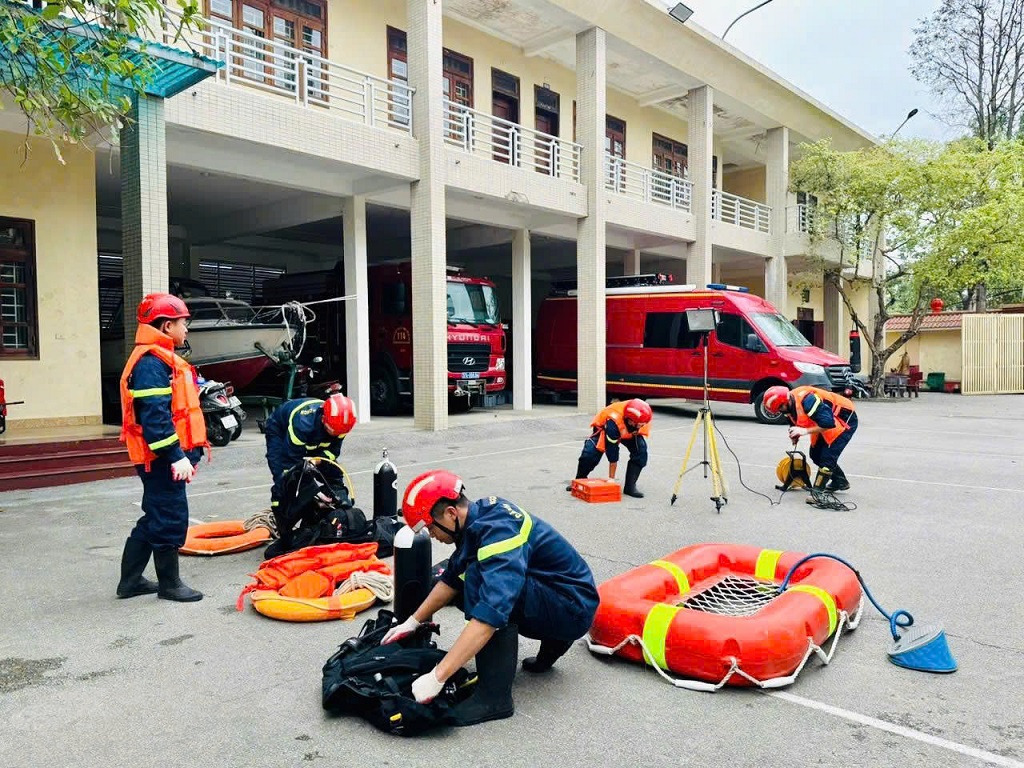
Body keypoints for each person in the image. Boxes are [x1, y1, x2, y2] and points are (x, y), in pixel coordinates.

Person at [382, 470, 599, 726]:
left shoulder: (498, 533)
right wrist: (412, 622)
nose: (430, 534)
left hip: (572, 609)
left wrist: (437, 677)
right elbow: (451, 578)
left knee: (479, 579)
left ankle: (494, 699)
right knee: (469, 574)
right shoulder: (479, 518)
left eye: (429, 526)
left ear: (451, 513)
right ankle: (552, 646)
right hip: (566, 598)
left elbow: (491, 612)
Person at [117, 293, 208, 602]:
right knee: (169, 516)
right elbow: (155, 419)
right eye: (184, 323)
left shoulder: (159, 359)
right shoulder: (151, 364)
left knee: (154, 515)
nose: (187, 330)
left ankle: (130, 582)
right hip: (160, 459)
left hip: (162, 459)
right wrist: (176, 456)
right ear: (167, 326)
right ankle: (169, 585)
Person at [264, 393, 357, 548]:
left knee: (333, 472)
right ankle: (284, 529)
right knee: (286, 478)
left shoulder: (340, 424)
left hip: (311, 437)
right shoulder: (302, 423)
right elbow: (292, 461)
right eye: (331, 430)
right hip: (280, 431)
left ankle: (335, 516)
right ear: (323, 419)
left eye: (338, 433)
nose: (334, 435)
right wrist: (313, 490)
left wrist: (319, 460)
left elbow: (332, 453)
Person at [762, 385, 858, 501]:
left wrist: (804, 431)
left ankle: (817, 492)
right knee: (815, 455)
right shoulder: (788, 404)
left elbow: (828, 423)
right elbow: (793, 419)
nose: (780, 412)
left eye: (779, 409)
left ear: (784, 403)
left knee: (827, 457)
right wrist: (795, 434)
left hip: (843, 419)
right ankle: (840, 481)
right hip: (822, 420)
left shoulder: (808, 400)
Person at [568, 398, 653, 498]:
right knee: (590, 454)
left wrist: (637, 428)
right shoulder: (613, 420)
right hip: (605, 429)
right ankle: (580, 480)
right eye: (639, 425)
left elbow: (639, 427)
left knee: (641, 452)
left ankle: (630, 486)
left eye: (642, 425)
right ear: (630, 420)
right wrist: (611, 478)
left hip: (628, 431)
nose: (642, 426)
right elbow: (612, 450)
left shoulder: (642, 417)